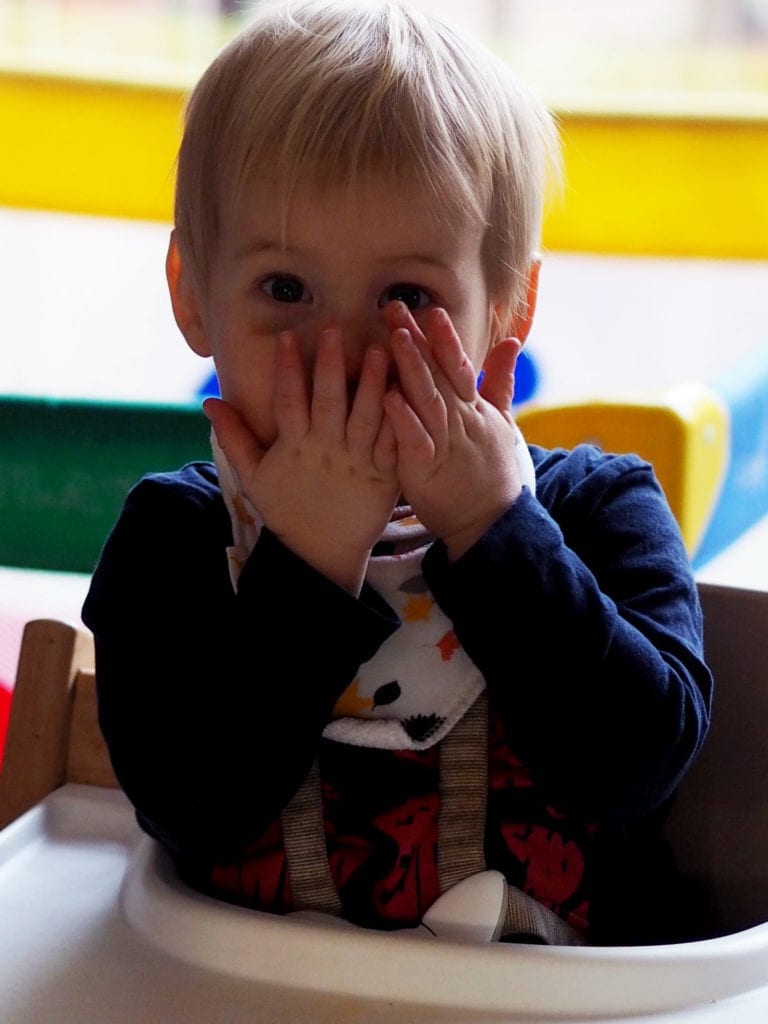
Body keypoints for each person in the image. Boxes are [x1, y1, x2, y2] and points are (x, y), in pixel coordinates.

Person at [83, 0, 712, 946]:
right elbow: (192, 808)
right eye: (285, 289)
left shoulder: (597, 507)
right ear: (191, 298)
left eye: (409, 296)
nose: (342, 352)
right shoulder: (174, 541)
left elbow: (636, 773)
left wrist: (497, 532)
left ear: (508, 304)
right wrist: (305, 562)